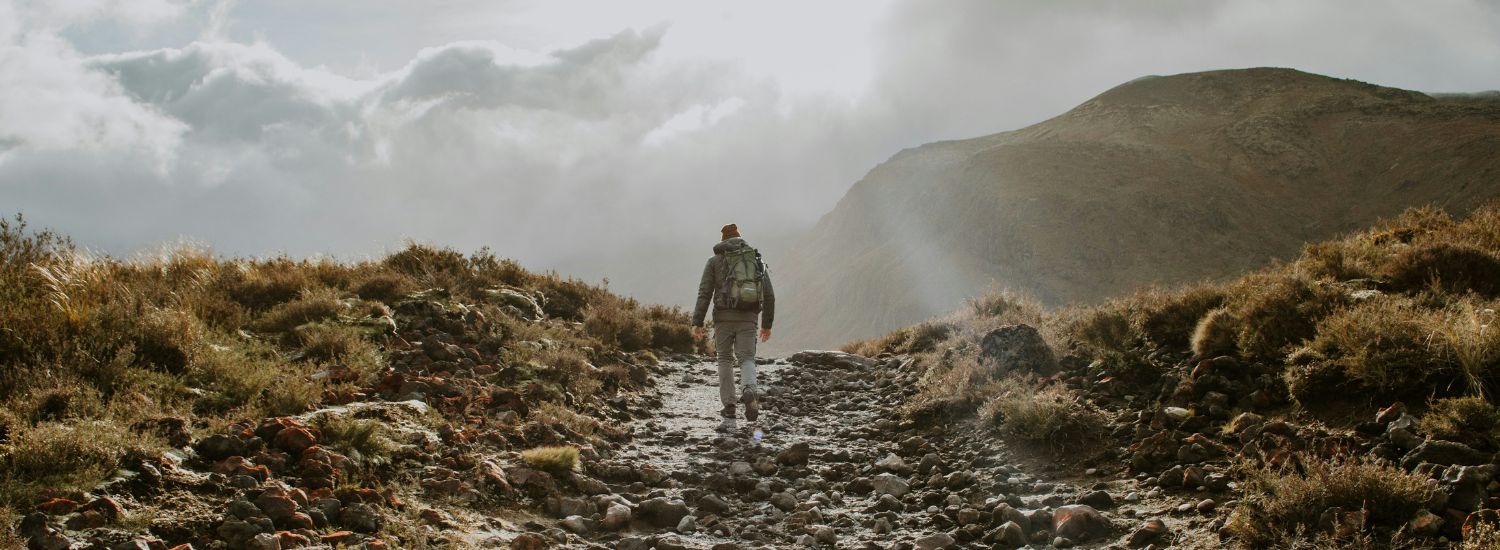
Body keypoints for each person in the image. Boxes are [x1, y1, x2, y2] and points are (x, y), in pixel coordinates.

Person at [692, 223, 775, 432]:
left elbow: (704, 293)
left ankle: (729, 406)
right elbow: (769, 295)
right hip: (749, 317)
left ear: (723, 241)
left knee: (725, 359)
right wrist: (767, 324)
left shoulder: (714, 262)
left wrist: (697, 322)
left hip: (723, 317)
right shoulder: (755, 260)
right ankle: (749, 389)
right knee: (747, 358)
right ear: (740, 238)